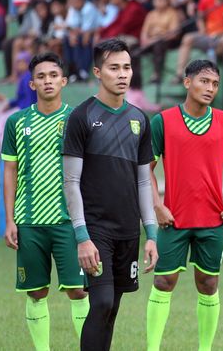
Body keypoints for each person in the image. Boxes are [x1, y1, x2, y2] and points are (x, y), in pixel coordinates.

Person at [62, 38, 159, 351]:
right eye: (114, 67)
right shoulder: (82, 117)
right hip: (96, 231)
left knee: (112, 308)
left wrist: (152, 234)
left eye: (127, 67)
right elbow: (71, 180)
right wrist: (82, 236)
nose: (122, 74)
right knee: (101, 302)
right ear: (97, 72)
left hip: (128, 230)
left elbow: (144, 182)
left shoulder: (139, 119)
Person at [146, 59, 223, 351]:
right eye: (204, 81)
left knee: (208, 284)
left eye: (215, 84)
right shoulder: (162, 121)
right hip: (173, 218)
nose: (210, 88)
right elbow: (145, 170)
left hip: (213, 220)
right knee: (164, 282)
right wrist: (157, 206)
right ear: (187, 82)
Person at [1, 52, 89, 351]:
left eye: (53, 75)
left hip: (68, 221)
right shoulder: (16, 122)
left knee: (78, 290)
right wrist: (10, 220)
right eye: (41, 76)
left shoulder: (77, 119)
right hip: (29, 221)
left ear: (63, 81)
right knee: (36, 292)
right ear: (32, 83)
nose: (47, 81)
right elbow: (10, 170)